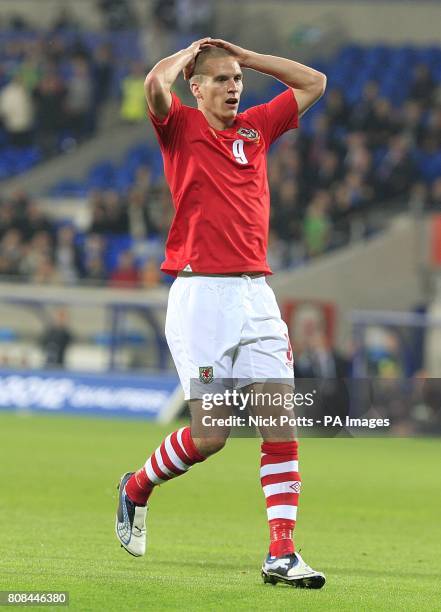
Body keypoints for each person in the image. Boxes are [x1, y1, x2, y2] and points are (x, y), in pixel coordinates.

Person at [115, 37, 327, 588]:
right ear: (197, 87)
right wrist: (190, 52)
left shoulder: (257, 127)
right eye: (222, 80)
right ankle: (136, 487)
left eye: (238, 81)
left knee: (281, 422)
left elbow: (314, 83)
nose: (234, 88)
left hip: (256, 294)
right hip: (200, 299)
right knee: (211, 435)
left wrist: (252, 58)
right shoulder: (179, 126)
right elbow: (153, 85)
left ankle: (281, 552)